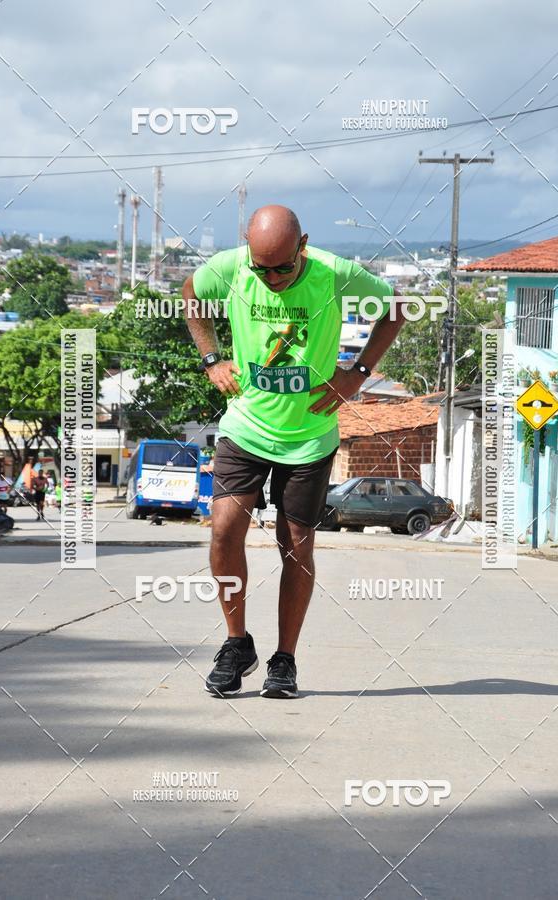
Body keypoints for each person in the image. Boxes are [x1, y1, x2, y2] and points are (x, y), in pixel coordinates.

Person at [183, 204, 406, 698]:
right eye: (262, 270)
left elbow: (396, 309)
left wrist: (357, 374)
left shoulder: (334, 273)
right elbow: (191, 294)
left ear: (303, 246)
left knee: (296, 545)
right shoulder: (230, 267)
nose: (273, 279)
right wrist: (211, 359)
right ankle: (236, 644)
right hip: (245, 427)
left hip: (309, 436)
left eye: (283, 268)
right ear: (248, 252)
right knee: (223, 530)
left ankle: (284, 659)